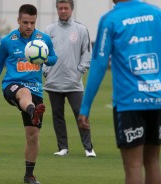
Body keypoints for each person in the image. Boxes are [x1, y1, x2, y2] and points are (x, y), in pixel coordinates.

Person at [78, 0, 161, 183]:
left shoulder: (111, 19)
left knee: (133, 166)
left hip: (129, 102)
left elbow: (99, 63)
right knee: (153, 162)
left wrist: (85, 107)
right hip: (157, 100)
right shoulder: (156, 13)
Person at [0, 4, 57, 184]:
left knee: (33, 136)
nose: (29, 26)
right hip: (12, 86)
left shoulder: (43, 39)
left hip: (36, 89)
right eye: (25, 22)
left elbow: (54, 58)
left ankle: (29, 176)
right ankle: (32, 110)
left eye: (32, 22)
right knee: (23, 92)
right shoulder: (8, 40)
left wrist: (45, 58)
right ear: (18, 20)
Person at [43, 0, 96, 157]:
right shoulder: (49, 30)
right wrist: (46, 71)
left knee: (81, 114)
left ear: (72, 9)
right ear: (57, 10)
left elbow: (86, 54)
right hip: (53, 82)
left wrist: (79, 72)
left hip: (73, 83)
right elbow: (43, 53)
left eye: (66, 8)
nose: (63, 11)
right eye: (60, 8)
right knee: (57, 116)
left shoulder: (81, 29)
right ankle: (63, 148)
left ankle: (88, 148)